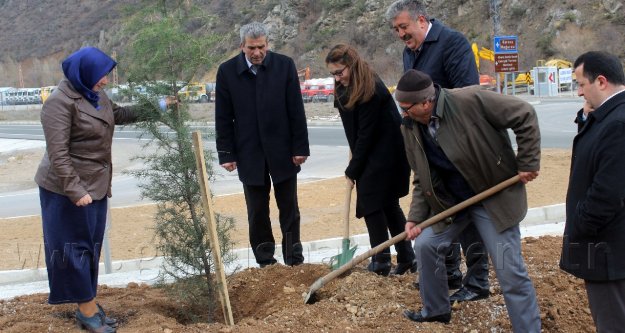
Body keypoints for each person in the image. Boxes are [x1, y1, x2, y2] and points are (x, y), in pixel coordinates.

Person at [34, 47, 172, 333]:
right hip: (65, 190)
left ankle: (89, 302)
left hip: (95, 184)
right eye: (101, 76)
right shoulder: (59, 103)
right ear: (83, 73)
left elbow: (120, 114)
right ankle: (86, 311)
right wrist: (75, 191)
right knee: (73, 249)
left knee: (89, 246)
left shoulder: (95, 95)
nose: (106, 81)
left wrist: (159, 105)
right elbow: (58, 154)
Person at [396, 69, 541, 331]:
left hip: (492, 198)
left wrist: (528, 161)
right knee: (426, 246)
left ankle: (528, 328)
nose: (402, 113)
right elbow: (422, 176)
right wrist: (415, 216)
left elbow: (525, 113)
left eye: (406, 107)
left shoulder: (470, 100)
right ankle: (437, 310)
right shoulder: (410, 126)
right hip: (453, 204)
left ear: (426, 102)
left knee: (509, 271)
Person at [386, 0, 489, 303]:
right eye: (396, 30)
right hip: (429, 144)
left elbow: (467, 91)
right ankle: (449, 273)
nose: (400, 34)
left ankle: (478, 281)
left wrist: (432, 110)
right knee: (440, 207)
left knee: (468, 212)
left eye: (403, 27)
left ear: (420, 20)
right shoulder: (410, 52)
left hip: (458, 144)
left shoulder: (452, 42)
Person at [215, 22, 309, 267]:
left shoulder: (284, 66)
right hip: (249, 152)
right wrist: (226, 153)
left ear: (268, 44)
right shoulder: (226, 72)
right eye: (251, 48)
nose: (257, 53)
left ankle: (294, 258)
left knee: (289, 209)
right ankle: (265, 260)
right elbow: (223, 117)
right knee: (257, 211)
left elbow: (296, 110)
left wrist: (300, 148)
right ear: (241, 46)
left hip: (283, 150)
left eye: (261, 47)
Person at [325, 44, 415, 276]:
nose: (336, 77)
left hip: (387, 154)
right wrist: (354, 155)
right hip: (371, 152)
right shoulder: (345, 86)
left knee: (372, 204)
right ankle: (406, 257)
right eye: (333, 73)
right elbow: (353, 130)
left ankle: (381, 261)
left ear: (352, 65)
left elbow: (366, 134)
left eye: (340, 72)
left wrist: (352, 170)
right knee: (387, 204)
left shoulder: (370, 88)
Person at [560, 51, 625, 332]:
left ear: (601, 81)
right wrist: (586, 118)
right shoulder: (608, 116)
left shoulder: (618, 124)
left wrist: (579, 225)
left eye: (581, 84)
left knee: (612, 322)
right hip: (608, 248)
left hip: (609, 252)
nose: (578, 92)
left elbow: (608, 193)